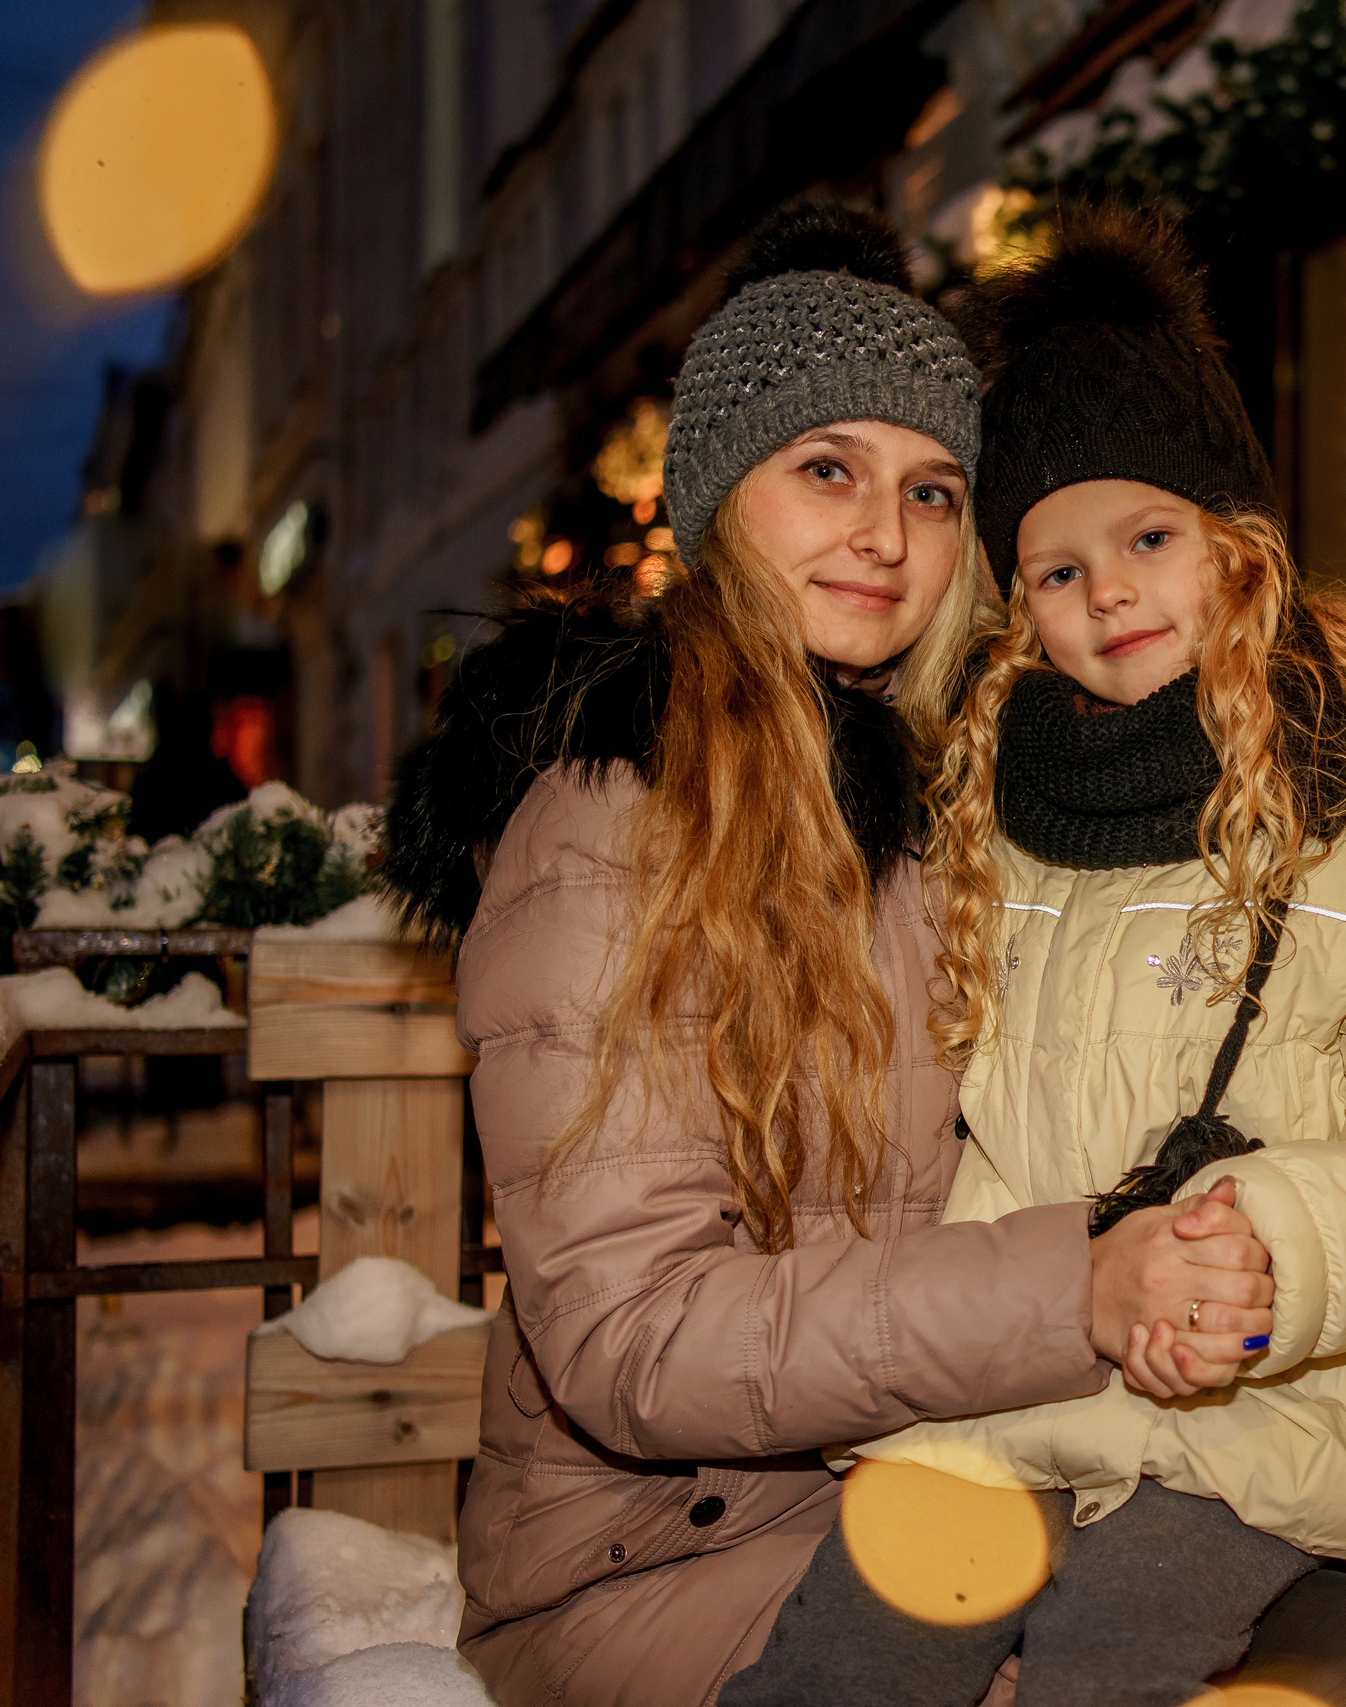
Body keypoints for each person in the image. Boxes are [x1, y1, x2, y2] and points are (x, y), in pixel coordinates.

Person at [379, 208, 1279, 1707]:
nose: (885, 534)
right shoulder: (612, 816)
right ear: (719, 497)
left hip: (942, 1483)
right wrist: (1076, 1288)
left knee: (1336, 1620)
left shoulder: (952, 804)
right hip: (661, 1561)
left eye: (932, 490)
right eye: (826, 471)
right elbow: (634, 1335)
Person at [762, 206, 1346, 1707]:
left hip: (1275, 1399)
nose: (1109, 593)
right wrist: (994, 1320)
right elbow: (972, 1141)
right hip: (1028, 1390)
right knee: (852, 1640)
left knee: (1115, 1648)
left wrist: (1273, 1252)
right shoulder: (992, 837)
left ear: (1240, 548)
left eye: (1148, 539)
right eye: (1055, 571)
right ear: (1016, 609)